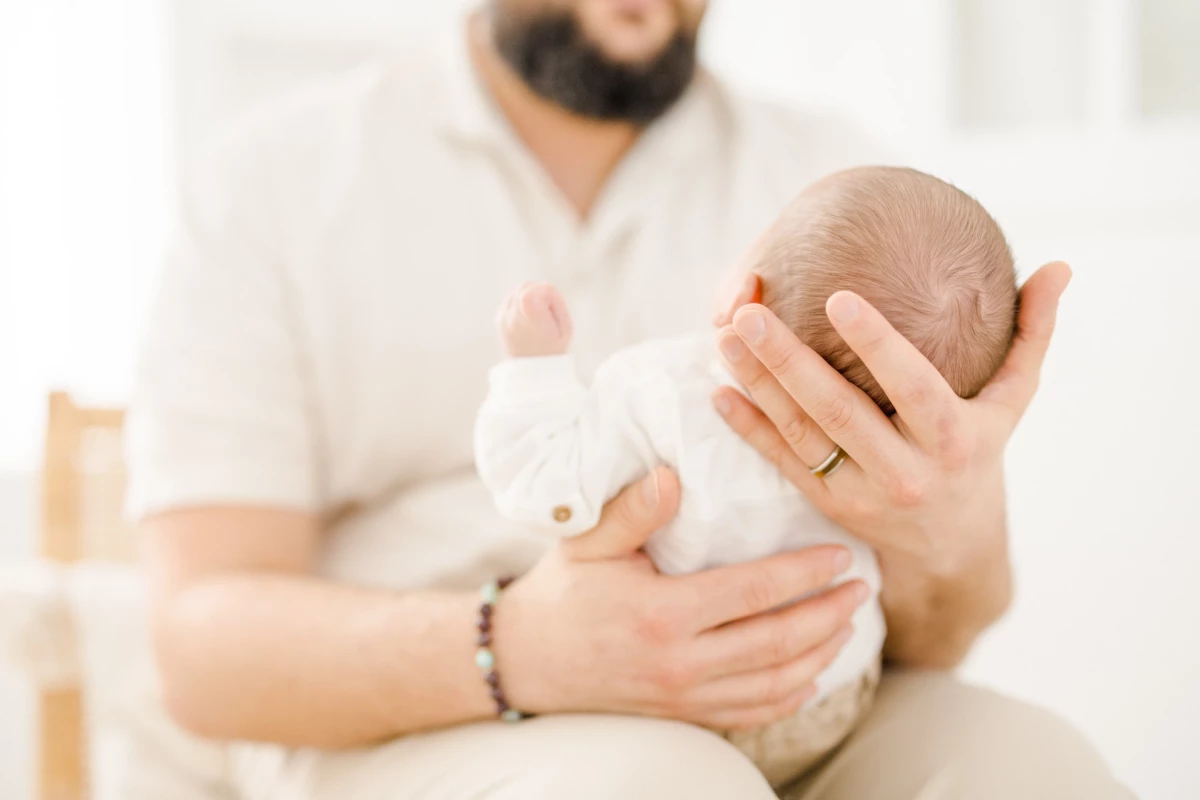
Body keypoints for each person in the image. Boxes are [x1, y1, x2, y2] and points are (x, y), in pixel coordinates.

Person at [128, 1, 1132, 798]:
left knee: (1034, 769)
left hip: (808, 707)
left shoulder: (837, 183)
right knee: (662, 784)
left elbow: (948, 634)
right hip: (410, 719)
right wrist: (522, 647)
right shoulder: (274, 180)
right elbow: (197, 654)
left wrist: (945, 519)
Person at [472, 166, 1018, 787]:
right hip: (829, 701)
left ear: (745, 297)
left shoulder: (659, 396)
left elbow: (540, 489)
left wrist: (533, 370)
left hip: (666, 707)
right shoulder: (892, 465)